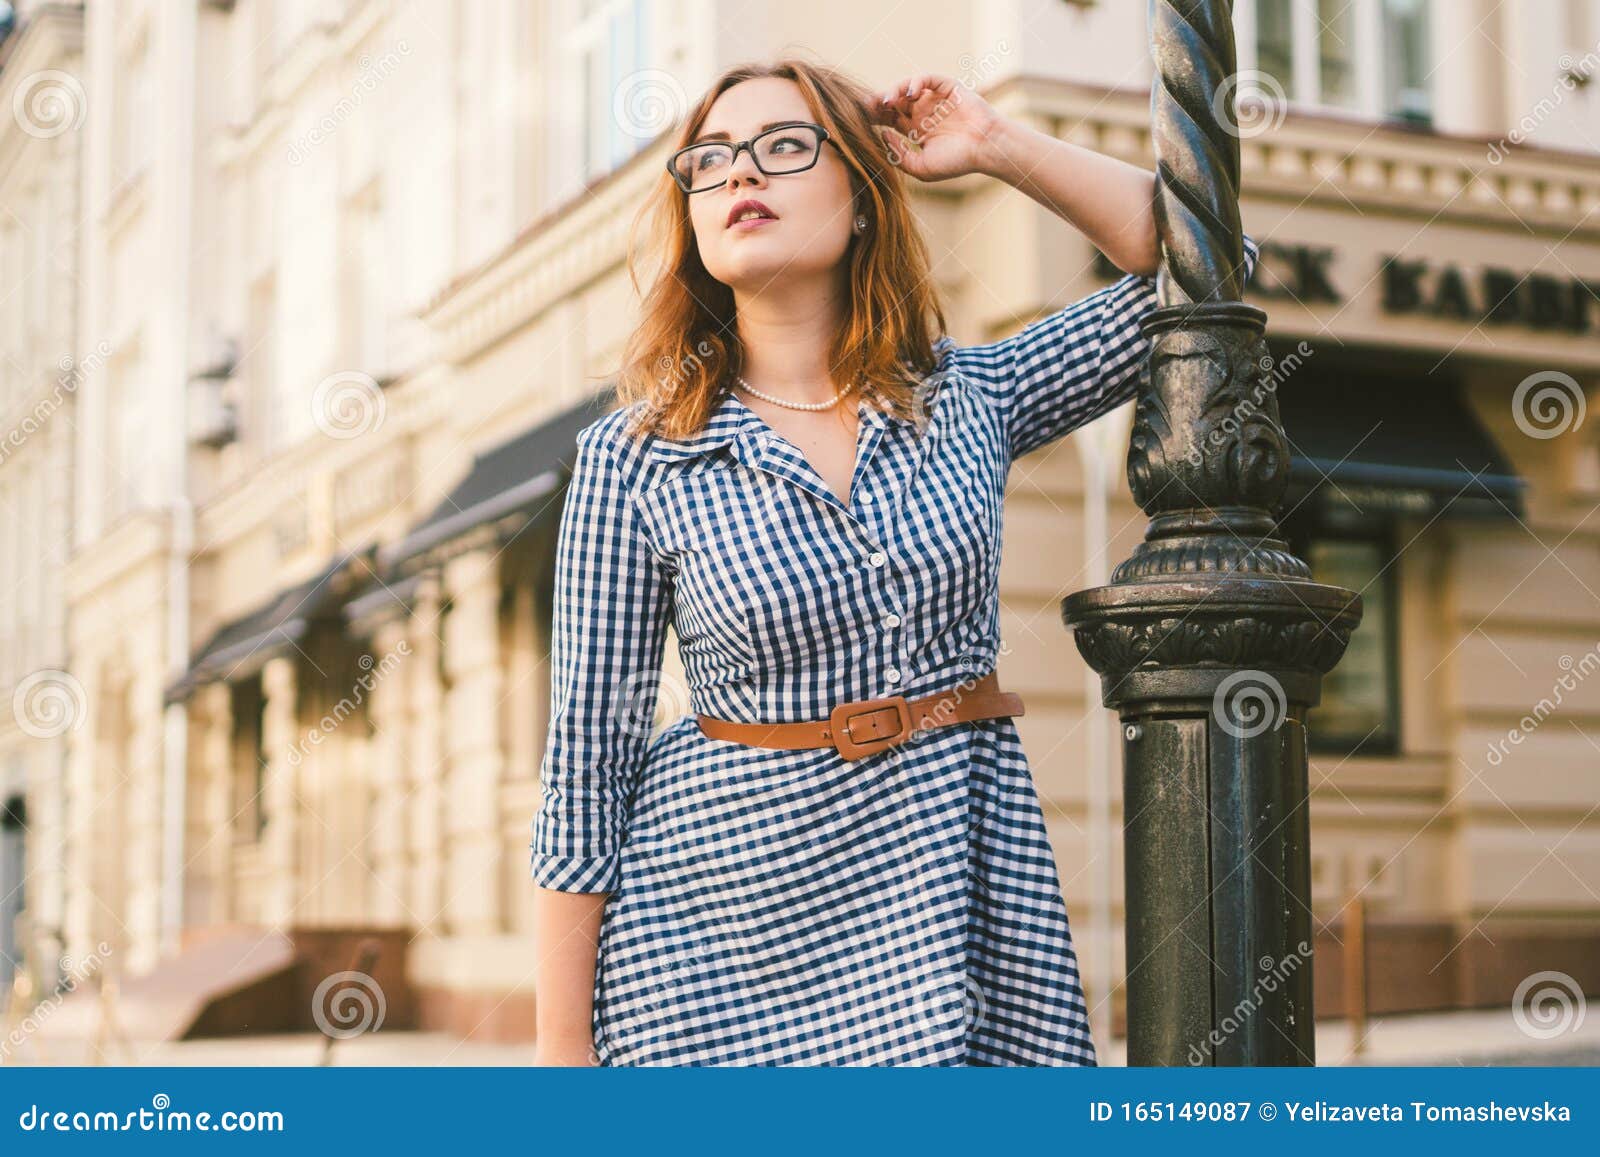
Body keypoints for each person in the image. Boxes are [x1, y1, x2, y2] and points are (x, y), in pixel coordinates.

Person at [531, 56, 1259, 1067]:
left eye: (783, 148)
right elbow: (586, 766)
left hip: (948, 895)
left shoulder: (965, 395)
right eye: (710, 161)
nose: (740, 175)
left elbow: (1207, 259)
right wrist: (561, 1065)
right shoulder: (638, 454)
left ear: (863, 195)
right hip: (709, 939)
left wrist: (995, 146)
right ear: (691, 215)